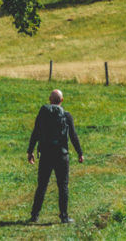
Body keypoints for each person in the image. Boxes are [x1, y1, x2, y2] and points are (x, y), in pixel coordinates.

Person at [27, 89, 83, 224]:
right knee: (63, 185)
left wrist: (30, 151)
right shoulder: (67, 116)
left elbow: (35, 133)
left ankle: (34, 215)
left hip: (46, 154)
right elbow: (73, 136)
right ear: (62, 100)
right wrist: (80, 153)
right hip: (62, 155)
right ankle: (64, 216)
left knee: (42, 185)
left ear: (49, 100)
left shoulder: (43, 114)